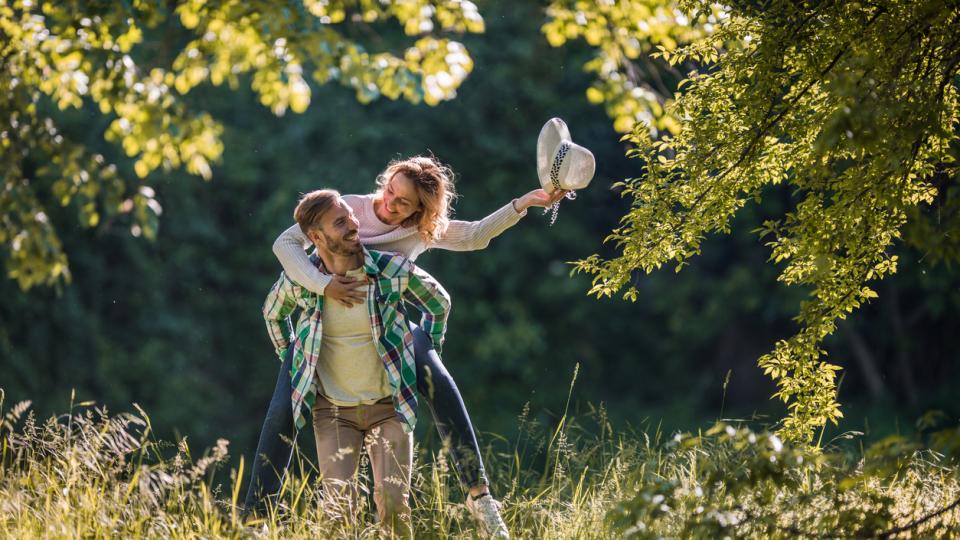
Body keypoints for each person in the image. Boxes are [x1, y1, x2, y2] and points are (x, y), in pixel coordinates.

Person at [246, 155, 565, 538]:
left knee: (439, 382)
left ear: (418, 212)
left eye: (402, 203)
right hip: (320, 320)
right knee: (282, 408)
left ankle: (480, 497)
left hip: (393, 325)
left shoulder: (418, 231)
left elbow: (475, 236)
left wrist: (522, 204)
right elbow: (285, 244)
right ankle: (253, 520)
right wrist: (322, 285)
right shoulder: (350, 207)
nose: (388, 204)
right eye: (389, 190)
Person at [262, 189, 452, 537]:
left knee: (394, 509)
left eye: (350, 214)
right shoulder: (301, 283)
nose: (354, 224)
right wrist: (293, 360)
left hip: (389, 409)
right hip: (333, 412)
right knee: (338, 514)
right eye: (341, 222)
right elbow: (272, 315)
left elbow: (439, 304)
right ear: (316, 237)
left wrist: (424, 351)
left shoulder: (390, 270)